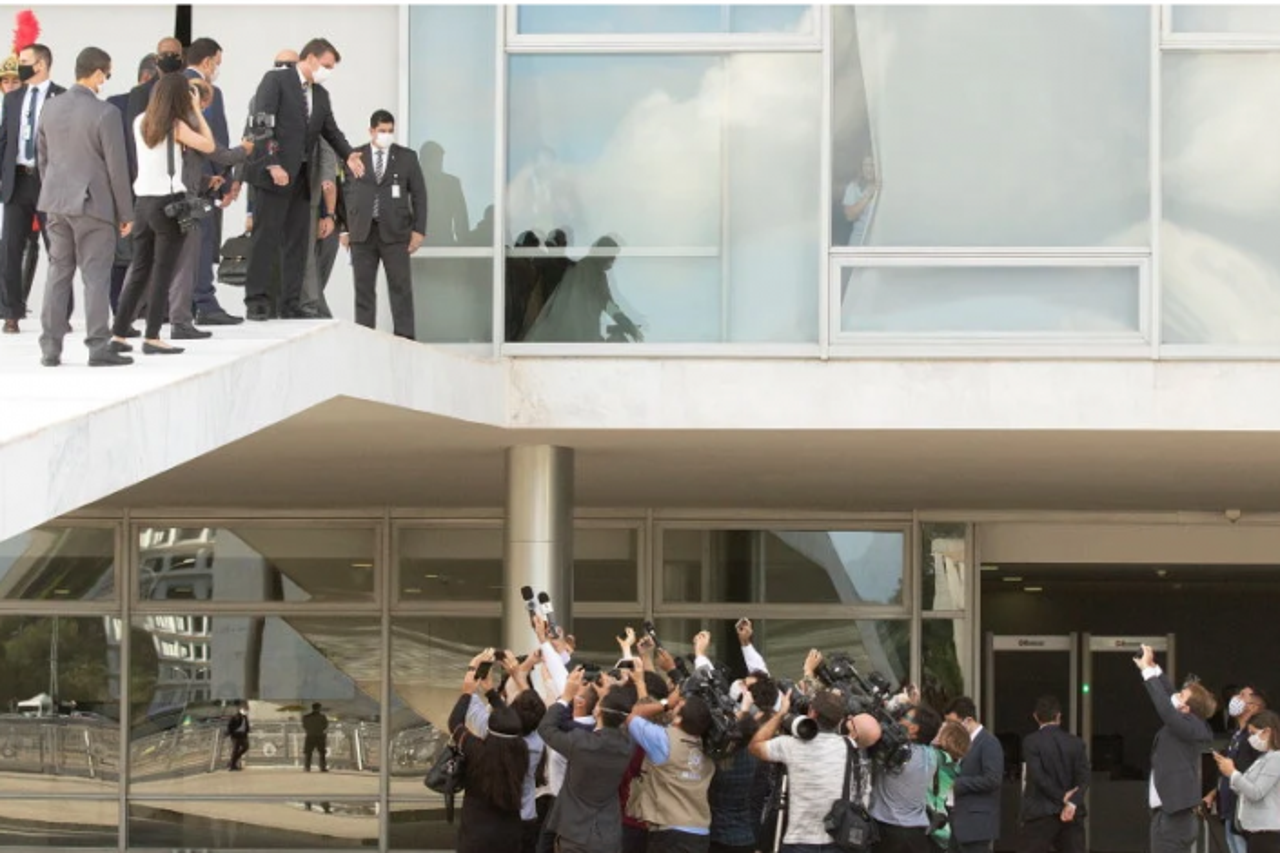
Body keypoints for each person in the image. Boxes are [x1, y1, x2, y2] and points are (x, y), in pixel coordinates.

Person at [242, 37, 363, 321]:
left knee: (297, 242)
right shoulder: (276, 80)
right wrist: (273, 163)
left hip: (302, 178)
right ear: (309, 58)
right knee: (265, 238)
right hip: (274, 175)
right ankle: (257, 301)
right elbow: (262, 124)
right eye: (326, 65)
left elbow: (331, 131)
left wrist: (349, 155)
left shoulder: (320, 94)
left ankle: (291, 303)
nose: (328, 71)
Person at [36, 47, 133, 368]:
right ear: (98, 74)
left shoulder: (50, 107)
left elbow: (42, 158)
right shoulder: (106, 113)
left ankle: (50, 347)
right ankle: (98, 345)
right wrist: (126, 213)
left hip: (56, 203)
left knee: (57, 274)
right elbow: (117, 168)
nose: (106, 81)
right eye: (107, 75)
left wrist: (53, 190)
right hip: (94, 205)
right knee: (95, 276)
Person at [111, 72, 215, 355]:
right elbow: (209, 145)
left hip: (143, 203)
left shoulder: (139, 122)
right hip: (169, 204)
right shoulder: (176, 125)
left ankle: (119, 334)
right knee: (162, 272)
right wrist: (196, 110)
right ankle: (152, 336)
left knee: (139, 270)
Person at [339, 109, 426, 339]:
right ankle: (365, 340)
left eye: (390, 131)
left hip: (396, 233)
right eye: (381, 131)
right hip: (362, 233)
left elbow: (419, 195)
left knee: (400, 289)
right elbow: (344, 194)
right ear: (371, 131)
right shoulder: (355, 157)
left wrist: (419, 230)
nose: (386, 135)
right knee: (363, 290)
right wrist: (344, 229)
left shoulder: (406, 157)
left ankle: (405, 340)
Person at [749, 680, 859, 853]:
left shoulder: (791, 745)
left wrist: (781, 714)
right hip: (837, 839)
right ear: (839, 720)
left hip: (800, 842)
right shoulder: (849, 745)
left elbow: (755, 746)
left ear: (812, 712)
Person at [0, 42, 64, 333]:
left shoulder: (61, 96)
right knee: (10, 249)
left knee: (58, 249)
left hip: (48, 181)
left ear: (41, 64)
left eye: (24, 61)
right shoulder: (13, 98)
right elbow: (5, 139)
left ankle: (60, 313)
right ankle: (10, 312)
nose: (20, 66)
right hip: (17, 180)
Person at [538, 665, 636, 853]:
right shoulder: (627, 745)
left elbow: (546, 728)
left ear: (597, 711)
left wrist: (566, 696)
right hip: (608, 835)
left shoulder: (581, 742)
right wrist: (610, 695)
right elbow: (622, 718)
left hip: (575, 835)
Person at [625, 650, 716, 853]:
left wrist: (665, 703)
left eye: (678, 706)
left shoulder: (663, 740)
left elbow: (634, 715)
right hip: (700, 832)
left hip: (670, 833)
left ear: (679, 718)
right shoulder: (707, 744)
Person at [1133, 643, 1217, 853]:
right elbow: (1170, 694)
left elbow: (1165, 708)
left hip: (1175, 816)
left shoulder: (1190, 726)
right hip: (1167, 813)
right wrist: (1154, 668)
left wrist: (1147, 672)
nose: (1176, 695)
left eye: (1181, 696)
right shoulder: (1187, 722)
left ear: (1186, 708)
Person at [182, 36, 242, 328]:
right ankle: (204, 302)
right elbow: (215, 138)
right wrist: (226, 179)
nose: (217, 69)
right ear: (207, 61)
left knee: (182, 246)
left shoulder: (168, 86)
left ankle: (184, 303)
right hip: (205, 180)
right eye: (217, 63)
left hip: (176, 180)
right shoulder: (206, 91)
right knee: (203, 243)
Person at [448, 649, 530, 853]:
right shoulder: (522, 751)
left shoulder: (477, 749)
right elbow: (509, 722)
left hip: (476, 837)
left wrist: (468, 689)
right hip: (509, 838)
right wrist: (491, 692)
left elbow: (455, 723)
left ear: (489, 729)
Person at [107, 54, 159, 313]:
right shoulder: (115, 105)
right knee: (122, 255)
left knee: (151, 253)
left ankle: (143, 308)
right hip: (124, 190)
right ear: (147, 78)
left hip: (153, 191)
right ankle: (120, 309)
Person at [1017, 695, 1088, 853]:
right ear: (1058, 716)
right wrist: (1072, 801)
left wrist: (1062, 797)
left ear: (1035, 717)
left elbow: (1039, 777)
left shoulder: (1031, 742)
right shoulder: (1076, 743)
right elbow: (1084, 778)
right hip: (1072, 814)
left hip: (1039, 813)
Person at [871, 703, 943, 853]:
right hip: (917, 833)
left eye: (904, 717)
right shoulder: (932, 756)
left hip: (888, 831)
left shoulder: (897, 753)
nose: (898, 720)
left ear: (913, 728)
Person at [1208, 686, 1268, 853]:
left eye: (1242, 695)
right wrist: (1214, 792)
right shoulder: (1236, 735)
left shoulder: (1256, 738)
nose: (1235, 698)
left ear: (1253, 707)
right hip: (1230, 809)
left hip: (1245, 813)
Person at [942, 696, 1003, 853]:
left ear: (968, 720)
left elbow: (993, 779)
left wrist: (958, 783)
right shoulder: (958, 742)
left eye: (952, 723)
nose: (948, 728)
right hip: (955, 820)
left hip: (976, 824)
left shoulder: (989, 742)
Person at [1214, 709, 1280, 853]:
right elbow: (1246, 788)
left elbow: (1256, 792)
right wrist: (1230, 774)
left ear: (1267, 732)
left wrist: (1233, 773)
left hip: (1268, 832)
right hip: (1255, 830)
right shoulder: (1263, 757)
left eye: (1253, 733)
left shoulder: (1276, 758)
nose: (1250, 738)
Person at [124, 37, 184, 180]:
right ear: (157, 59)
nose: (169, 57)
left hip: (183, 176)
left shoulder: (188, 90)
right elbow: (134, 139)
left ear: (182, 59)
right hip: (151, 176)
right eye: (164, 54)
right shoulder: (140, 93)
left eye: (174, 54)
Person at [842, 154, 879, 246]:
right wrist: (868, 195)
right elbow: (850, 216)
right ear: (861, 168)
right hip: (859, 241)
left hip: (879, 241)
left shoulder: (882, 188)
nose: (869, 169)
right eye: (866, 165)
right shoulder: (853, 187)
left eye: (872, 165)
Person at [302, 702, 328, 772]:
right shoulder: (322, 717)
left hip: (310, 735)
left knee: (308, 752)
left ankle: (307, 767)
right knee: (322, 752)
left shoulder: (306, 717)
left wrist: (310, 730)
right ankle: (322, 767)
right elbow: (325, 725)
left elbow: (304, 726)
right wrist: (319, 729)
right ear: (319, 708)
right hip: (319, 735)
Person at [227, 701, 250, 770]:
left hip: (242, 735)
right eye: (245, 708)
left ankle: (233, 761)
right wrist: (231, 733)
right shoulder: (236, 717)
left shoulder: (245, 717)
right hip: (236, 735)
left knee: (245, 747)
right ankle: (232, 765)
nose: (246, 710)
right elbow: (230, 725)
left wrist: (246, 731)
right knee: (235, 749)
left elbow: (246, 726)